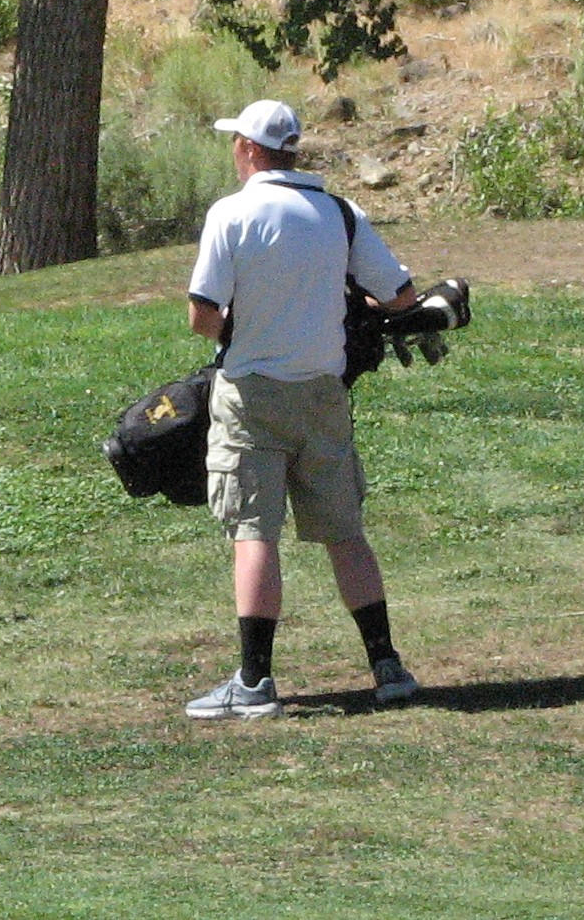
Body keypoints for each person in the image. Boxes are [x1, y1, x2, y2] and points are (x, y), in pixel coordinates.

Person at [183, 100, 424, 720]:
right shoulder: (338, 213)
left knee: (254, 532)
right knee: (345, 532)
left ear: (248, 149)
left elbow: (202, 316)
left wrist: (241, 325)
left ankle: (256, 682)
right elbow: (399, 294)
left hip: (252, 394)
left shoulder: (231, 214)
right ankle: (387, 666)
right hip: (324, 391)